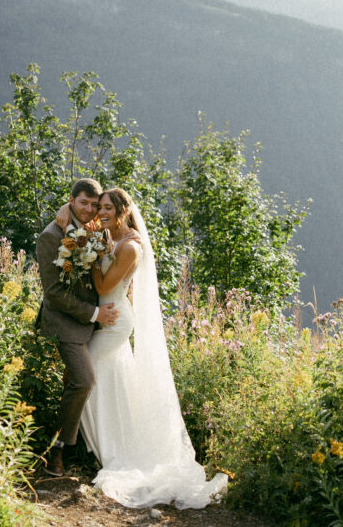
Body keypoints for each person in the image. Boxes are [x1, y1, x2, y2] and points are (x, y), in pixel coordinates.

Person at [55, 188, 228, 509]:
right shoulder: (107, 234)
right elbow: (80, 215)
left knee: (86, 377)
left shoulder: (130, 246)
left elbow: (106, 286)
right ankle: (98, 446)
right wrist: (69, 212)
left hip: (115, 322)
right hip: (101, 319)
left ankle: (105, 450)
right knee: (105, 381)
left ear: (123, 211)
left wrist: (92, 253)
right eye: (99, 207)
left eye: (108, 208)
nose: (100, 212)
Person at [35, 178, 120, 477]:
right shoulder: (50, 236)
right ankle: (56, 451)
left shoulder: (97, 229)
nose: (88, 209)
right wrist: (96, 313)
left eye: (93, 205)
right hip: (66, 321)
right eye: (82, 202)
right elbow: (54, 294)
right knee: (84, 380)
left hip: (94, 322)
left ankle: (87, 444)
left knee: (76, 381)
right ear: (70, 200)